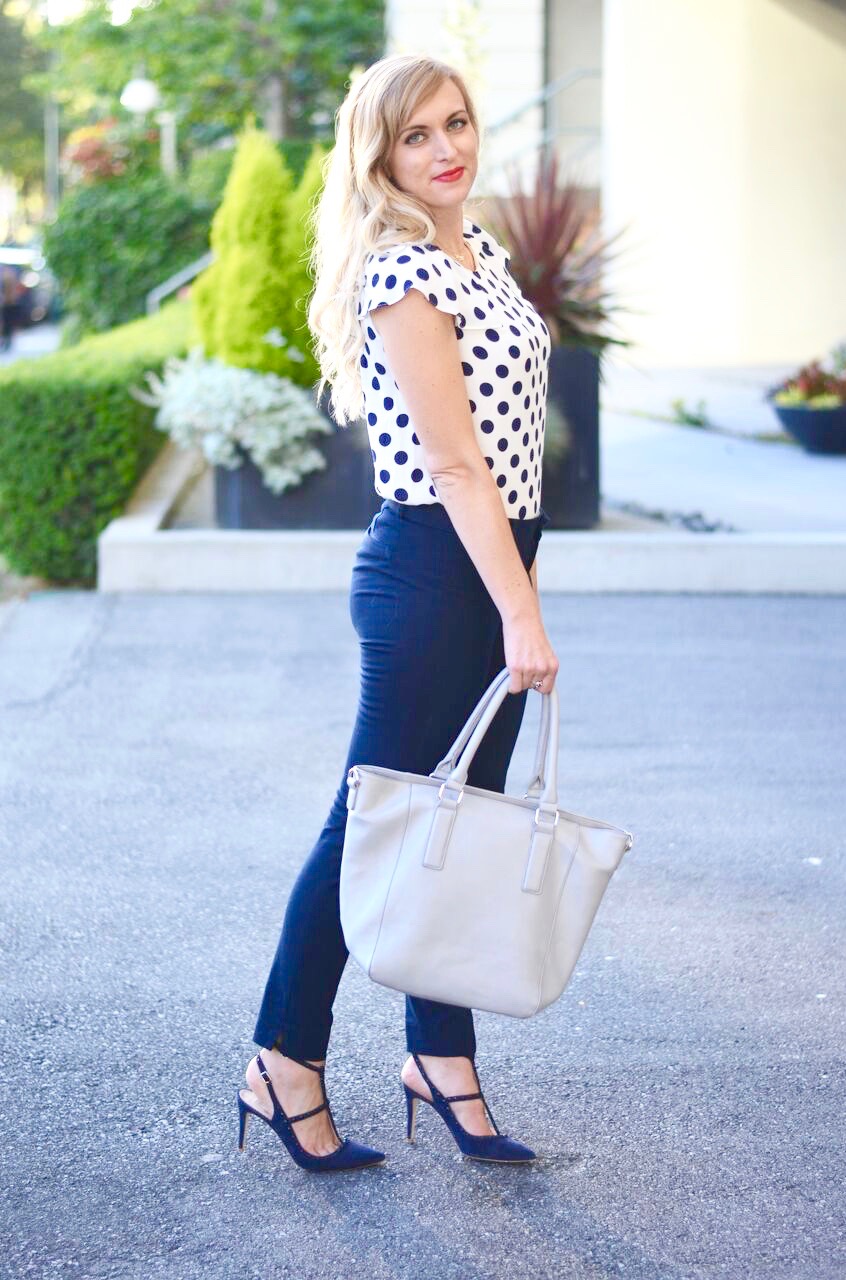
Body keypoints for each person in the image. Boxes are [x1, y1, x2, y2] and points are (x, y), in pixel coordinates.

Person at [236, 52, 559, 1172]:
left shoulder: (480, 253)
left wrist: (515, 592)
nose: (444, 149)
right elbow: (459, 467)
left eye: (456, 123)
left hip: (489, 558)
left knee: (454, 830)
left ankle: (440, 1059)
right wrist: (520, 616)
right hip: (434, 569)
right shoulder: (402, 273)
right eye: (416, 135)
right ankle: (283, 1057)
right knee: (371, 826)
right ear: (380, 156)